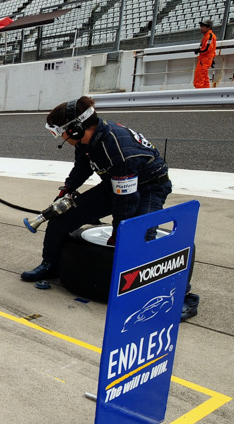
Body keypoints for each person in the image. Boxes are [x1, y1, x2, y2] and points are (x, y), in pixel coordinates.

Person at [21, 96, 198, 319]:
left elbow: (126, 201)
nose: (59, 137)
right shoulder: (87, 140)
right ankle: (51, 265)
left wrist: (117, 231)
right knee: (61, 218)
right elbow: (83, 165)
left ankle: (182, 297)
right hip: (116, 182)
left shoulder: (118, 150)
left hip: (149, 186)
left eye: (58, 132)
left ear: (74, 129)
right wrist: (68, 188)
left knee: (138, 238)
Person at [194, 20, 217, 89]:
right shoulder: (207, 36)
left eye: (203, 26)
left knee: (199, 77)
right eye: (201, 26)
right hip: (205, 59)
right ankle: (206, 91)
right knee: (204, 77)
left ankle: (199, 92)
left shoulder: (209, 36)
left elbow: (207, 49)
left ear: (208, 27)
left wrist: (199, 51)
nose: (201, 28)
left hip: (205, 59)